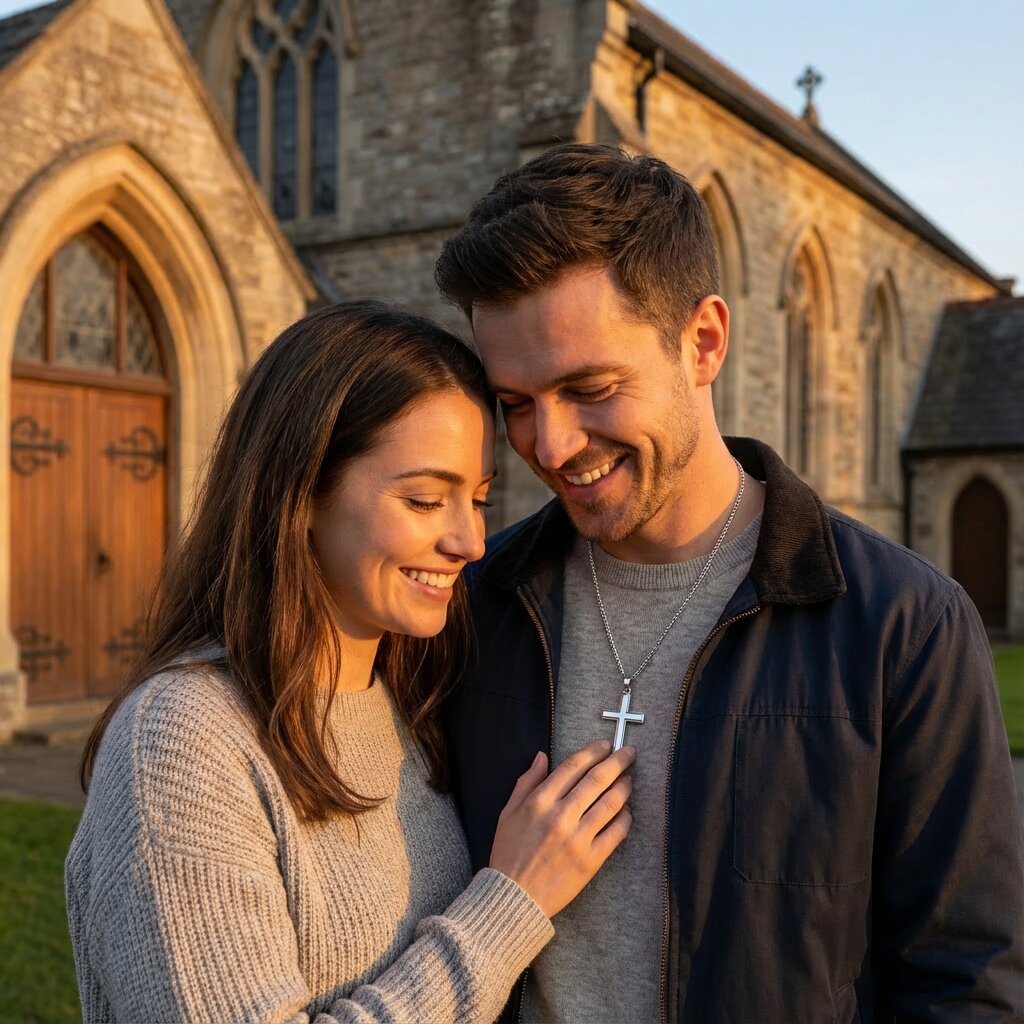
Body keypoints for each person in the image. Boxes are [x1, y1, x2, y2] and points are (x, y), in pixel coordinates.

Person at [434, 144, 1024, 1022]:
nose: (549, 445)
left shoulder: (904, 624)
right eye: (515, 403)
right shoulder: (475, 606)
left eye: (589, 386)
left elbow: (964, 982)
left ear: (703, 341)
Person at [65, 301, 635, 1023]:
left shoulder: (414, 704)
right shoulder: (183, 739)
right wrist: (510, 904)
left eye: (480, 499)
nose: (469, 541)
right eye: (426, 500)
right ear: (301, 492)